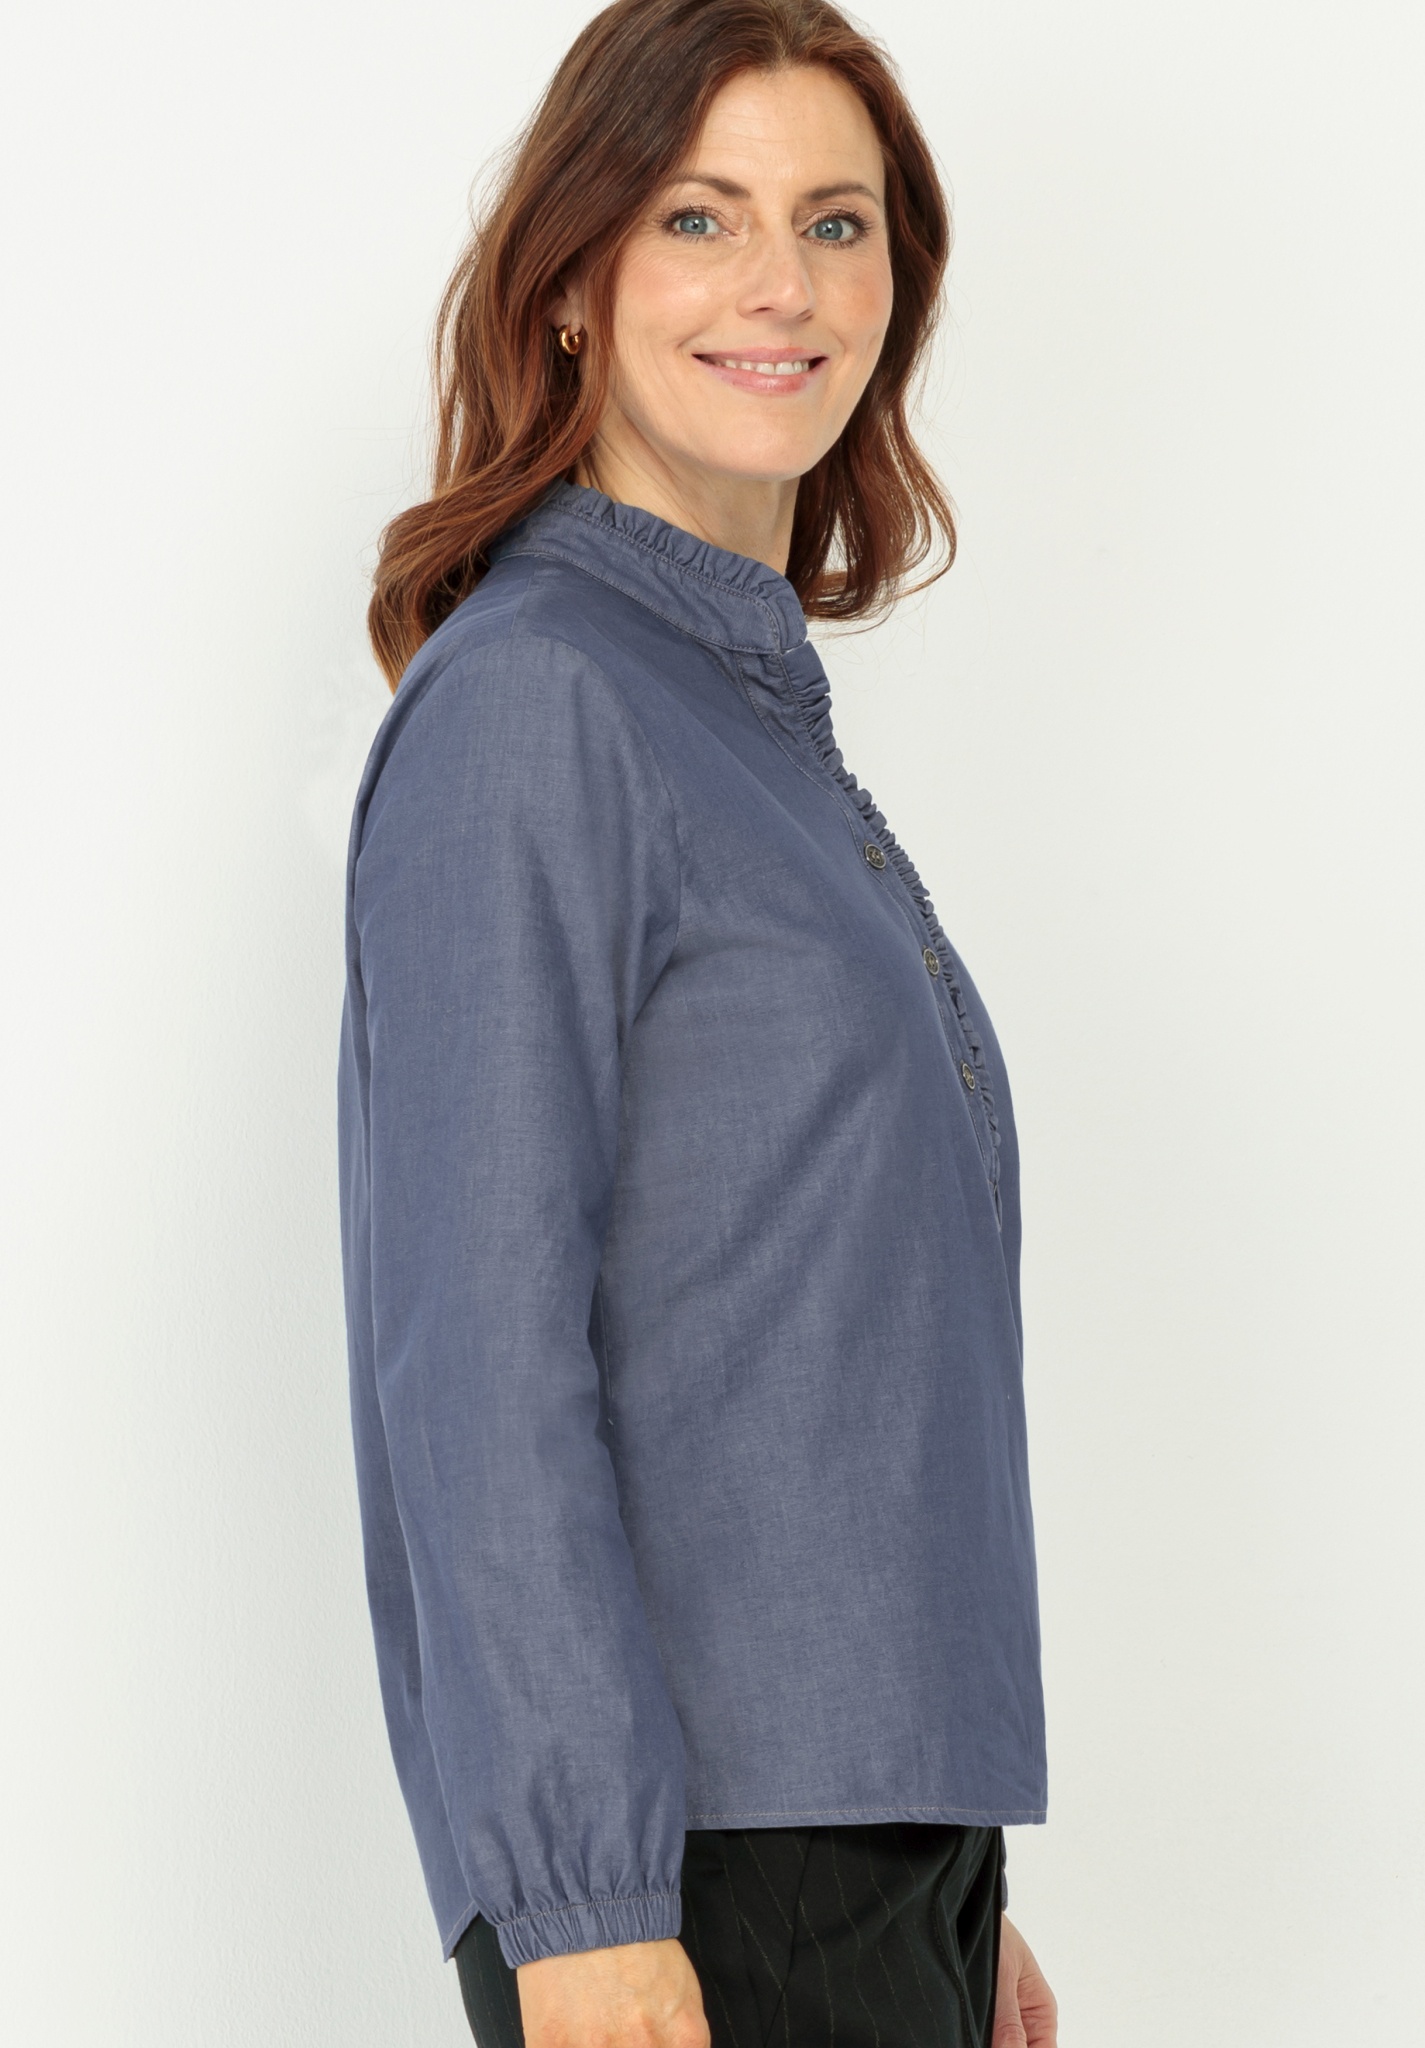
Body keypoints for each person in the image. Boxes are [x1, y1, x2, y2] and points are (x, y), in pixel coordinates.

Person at [337, 1, 1059, 2042]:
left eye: (834, 223)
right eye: (696, 216)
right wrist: (580, 1900)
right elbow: (477, 1354)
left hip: (854, 1846)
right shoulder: (536, 702)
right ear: (571, 279)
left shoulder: (732, 717)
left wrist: (947, 1880)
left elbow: (797, 1342)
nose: (780, 284)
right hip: (686, 1870)